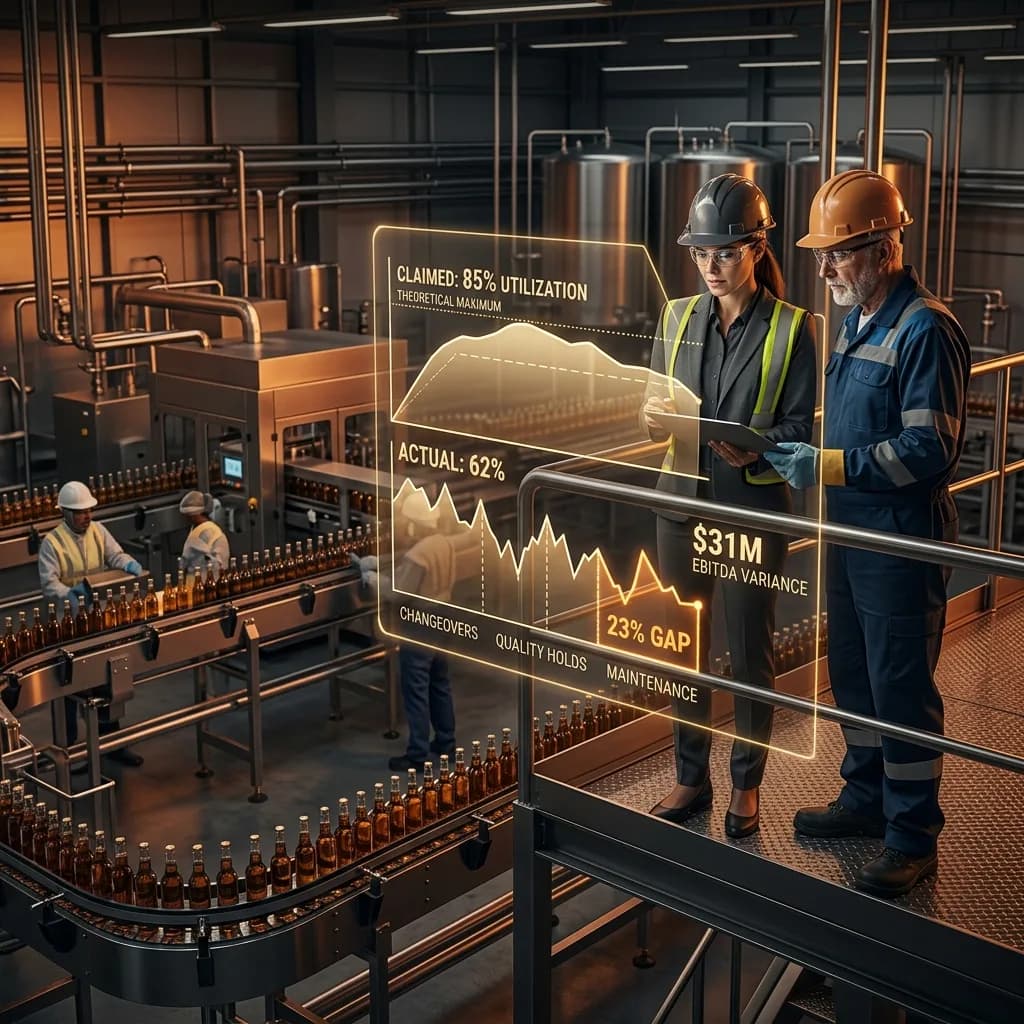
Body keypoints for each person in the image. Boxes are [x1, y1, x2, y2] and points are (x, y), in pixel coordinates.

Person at [766, 170, 970, 898]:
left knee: (900, 684)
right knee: (851, 673)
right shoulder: (858, 320)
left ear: (884, 249)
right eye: (823, 255)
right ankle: (865, 796)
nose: (824, 270)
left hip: (901, 540)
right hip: (851, 532)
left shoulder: (925, 328)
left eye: (838, 254)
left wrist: (826, 463)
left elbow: (928, 449)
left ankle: (912, 834)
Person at [641, 174, 816, 837]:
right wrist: (654, 417)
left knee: (749, 653)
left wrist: (759, 449)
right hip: (680, 508)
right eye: (700, 253)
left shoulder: (794, 328)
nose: (710, 266)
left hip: (750, 512)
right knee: (682, 649)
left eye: (725, 252)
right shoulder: (676, 317)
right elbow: (656, 407)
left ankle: (747, 784)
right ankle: (691, 776)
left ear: (756, 247)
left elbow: (801, 428)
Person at [38, 479, 145, 767]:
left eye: (88, 511)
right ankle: (69, 752)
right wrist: (69, 594)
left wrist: (129, 564)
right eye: (80, 512)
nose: (87, 517)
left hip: (98, 620)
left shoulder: (98, 531)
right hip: (69, 625)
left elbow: (115, 554)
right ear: (65, 513)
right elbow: (49, 584)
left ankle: (113, 744)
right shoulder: (52, 542)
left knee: (105, 679)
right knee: (68, 687)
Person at [356, 489, 457, 773]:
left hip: (421, 623)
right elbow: (409, 568)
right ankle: (446, 742)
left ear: (413, 523)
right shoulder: (442, 543)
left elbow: (398, 591)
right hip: (444, 615)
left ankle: (417, 754)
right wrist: (383, 563)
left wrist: (373, 578)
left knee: (416, 689)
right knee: (439, 681)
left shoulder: (418, 554)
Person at [178, 490, 230, 575]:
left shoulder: (211, 532)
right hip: (195, 579)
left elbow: (222, 566)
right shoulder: (196, 529)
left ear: (193, 515)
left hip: (209, 580)